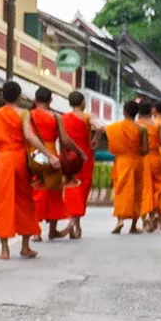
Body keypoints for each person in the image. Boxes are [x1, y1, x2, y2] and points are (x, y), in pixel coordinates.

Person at [0, 82, 46, 260]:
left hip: (2, 160)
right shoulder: (23, 113)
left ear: (3, 96)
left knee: (2, 202)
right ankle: (25, 247)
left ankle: (4, 250)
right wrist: (47, 153)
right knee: (25, 201)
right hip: (19, 159)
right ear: (19, 97)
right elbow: (29, 136)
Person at [29, 89, 75, 240]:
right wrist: (76, 153)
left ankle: (36, 232)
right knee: (54, 191)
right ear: (50, 100)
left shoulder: (29, 115)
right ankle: (52, 230)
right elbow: (64, 140)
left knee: (37, 192)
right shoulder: (56, 117)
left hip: (34, 155)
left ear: (35, 100)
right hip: (52, 154)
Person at [106, 101, 150, 235]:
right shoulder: (142, 129)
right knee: (137, 192)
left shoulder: (114, 127)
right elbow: (146, 150)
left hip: (122, 162)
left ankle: (120, 220)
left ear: (124, 112)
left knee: (121, 190)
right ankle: (134, 226)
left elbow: (112, 147)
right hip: (137, 162)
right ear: (136, 113)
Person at [60, 91, 96, 238]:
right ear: (83, 102)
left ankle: (76, 225)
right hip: (85, 156)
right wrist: (95, 139)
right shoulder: (87, 116)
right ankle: (72, 223)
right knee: (83, 189)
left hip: (69, 156)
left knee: (72, 188)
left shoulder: (63, 118)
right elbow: (100, 127)